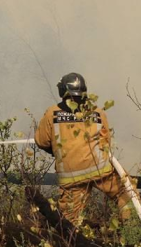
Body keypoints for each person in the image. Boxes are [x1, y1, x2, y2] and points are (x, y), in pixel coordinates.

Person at [35, 72, 133, 225]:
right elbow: (105, 141)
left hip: (71, 175)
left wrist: (59, 152)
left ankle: (67, 246)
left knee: (69, 220)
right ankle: (130, 230)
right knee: (126, 194)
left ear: (63, 91)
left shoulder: (52, 114)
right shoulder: (98, 113)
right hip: (100, 170)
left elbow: (41, 141)